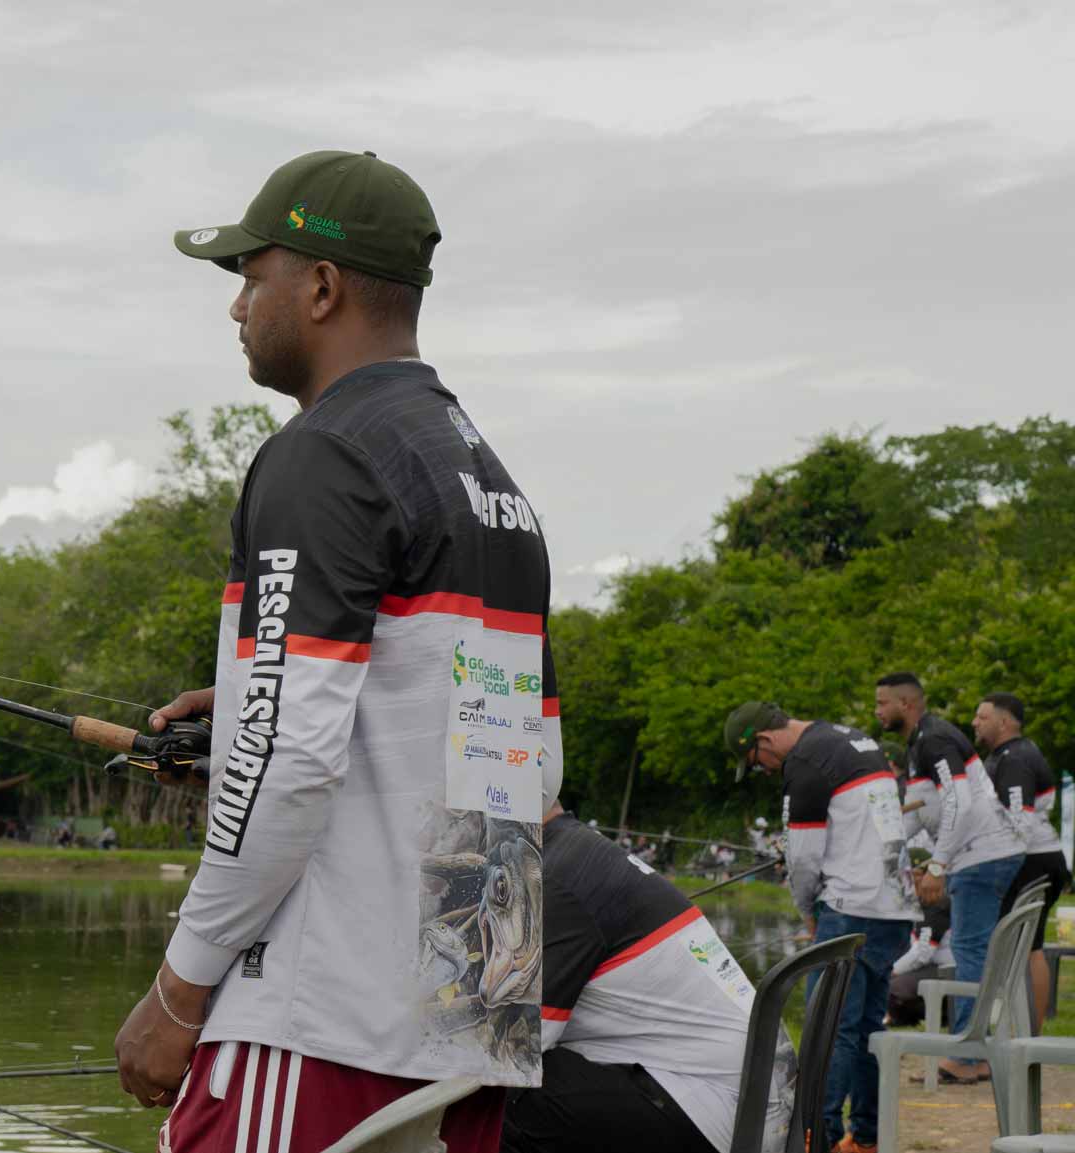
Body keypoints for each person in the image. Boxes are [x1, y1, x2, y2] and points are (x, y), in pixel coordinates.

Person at [114, 150, 559, 1153]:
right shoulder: (489, 481)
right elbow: (531, 766)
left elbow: (288, 762)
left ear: (319, 287)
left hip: (320, 1022)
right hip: (473, 1014)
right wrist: (247, 711)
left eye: (250, 274)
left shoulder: (321, 453)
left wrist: (178, 989)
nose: (237, 306)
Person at [503, 799, 792, 1153]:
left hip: (724, 1113)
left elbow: (510, 1048)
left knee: (498, 1094)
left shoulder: (552, 876)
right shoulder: (580, 851)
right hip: (757, 1097)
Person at [724, 701, 915, 1153]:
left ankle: (814, 1138)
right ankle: (865, 1137)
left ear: (764, 740)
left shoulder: (806, 761)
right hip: (893, 906)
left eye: (757, 763)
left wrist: (807, 911)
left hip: (849, 904)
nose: (766, 771)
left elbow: (804, 859)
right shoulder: (855, 739)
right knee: (866, 1028)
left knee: (828, 1032)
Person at [875, 671, 1024, 1083]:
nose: (877, 711)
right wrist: (882, 856)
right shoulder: (918, 744)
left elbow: (959, 800)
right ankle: (976, 1052)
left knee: (969, 952)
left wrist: (938, 864)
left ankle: (968, 1057)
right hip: (980, 855)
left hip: (983, 855)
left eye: (882, 703)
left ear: (906, 704)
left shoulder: (934, 738)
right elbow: (917, 812)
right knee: (972, 951)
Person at [975, 691, 1070, 1032]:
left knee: (1024, 947)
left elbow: (1020, 823)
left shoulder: (1015, 758)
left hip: (1031, 860)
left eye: (982, 717)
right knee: (1028, 946)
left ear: (1004, 722)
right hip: (1038, 857)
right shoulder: (1010, 754)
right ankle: (1024, 1034)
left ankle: (1026, 1035)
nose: (974, 722)